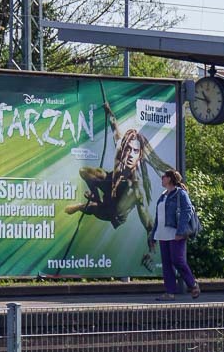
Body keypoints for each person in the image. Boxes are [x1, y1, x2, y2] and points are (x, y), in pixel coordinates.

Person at [65, 101, 171, 269]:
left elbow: (149, 225)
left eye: (135, 151)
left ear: (139, 155)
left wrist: (151, 252)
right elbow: (115, 129)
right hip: (110, 186)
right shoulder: (120, 152)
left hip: (114, 212)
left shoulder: (137, 190)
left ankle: (83, 206)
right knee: (87, 172)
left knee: (97, 208)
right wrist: (109, 112)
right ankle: (95, 196)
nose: (130, 154)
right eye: (128, 149)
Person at [153, 170, 200, 300]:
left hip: (175, 233)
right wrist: (153, 235)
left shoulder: (180, 193)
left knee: (177, 260)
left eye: (164, 176)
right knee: (167, 264)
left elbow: (187, 211)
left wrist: (180, 231)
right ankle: (170, 292)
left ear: (169, 179)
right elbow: (158, 217)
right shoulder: (163, 195)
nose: (162, 178)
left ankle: (193, 284)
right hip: (162, 233)